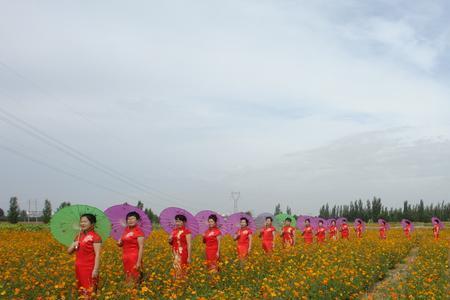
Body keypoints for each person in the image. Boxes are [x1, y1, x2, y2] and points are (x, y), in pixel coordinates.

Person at [68, 213, 102, 297]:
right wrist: (74, 245)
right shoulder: (78, 236)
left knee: (90, 290)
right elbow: (69, 252)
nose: (82, 223)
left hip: (89, 267)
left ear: (92, 223)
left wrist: (96, 270)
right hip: (79, 267)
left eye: (85, 221)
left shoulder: (96, 237)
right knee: (81, 290)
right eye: (81, 222)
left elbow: (97, 255)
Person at [117, 211, 145, 284]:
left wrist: (138, 262)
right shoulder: (126, 230)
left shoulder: (139, 231)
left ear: (137, 220)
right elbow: (122, 244)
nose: (130, 221)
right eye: (128, 219)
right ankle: (130, 290)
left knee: (135, 276)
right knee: (128, 276)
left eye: (133, 219)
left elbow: (141, 247)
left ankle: (134, 291)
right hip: (125, 257)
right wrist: (119, 243)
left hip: (134, 257)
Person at [168, 214, 192, 279]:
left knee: (182, 268)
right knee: (175, 268)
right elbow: (171, 243)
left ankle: (182, 283)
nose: (177, 223)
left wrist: (189, 257)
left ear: (184, 222)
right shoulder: (174, 231)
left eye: (179, 221)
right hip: (174, 253)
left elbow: (189, 244)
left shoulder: (187, 232)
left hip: (183, 253)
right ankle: (176, 283)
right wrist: (169, 240)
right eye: (176, 221)